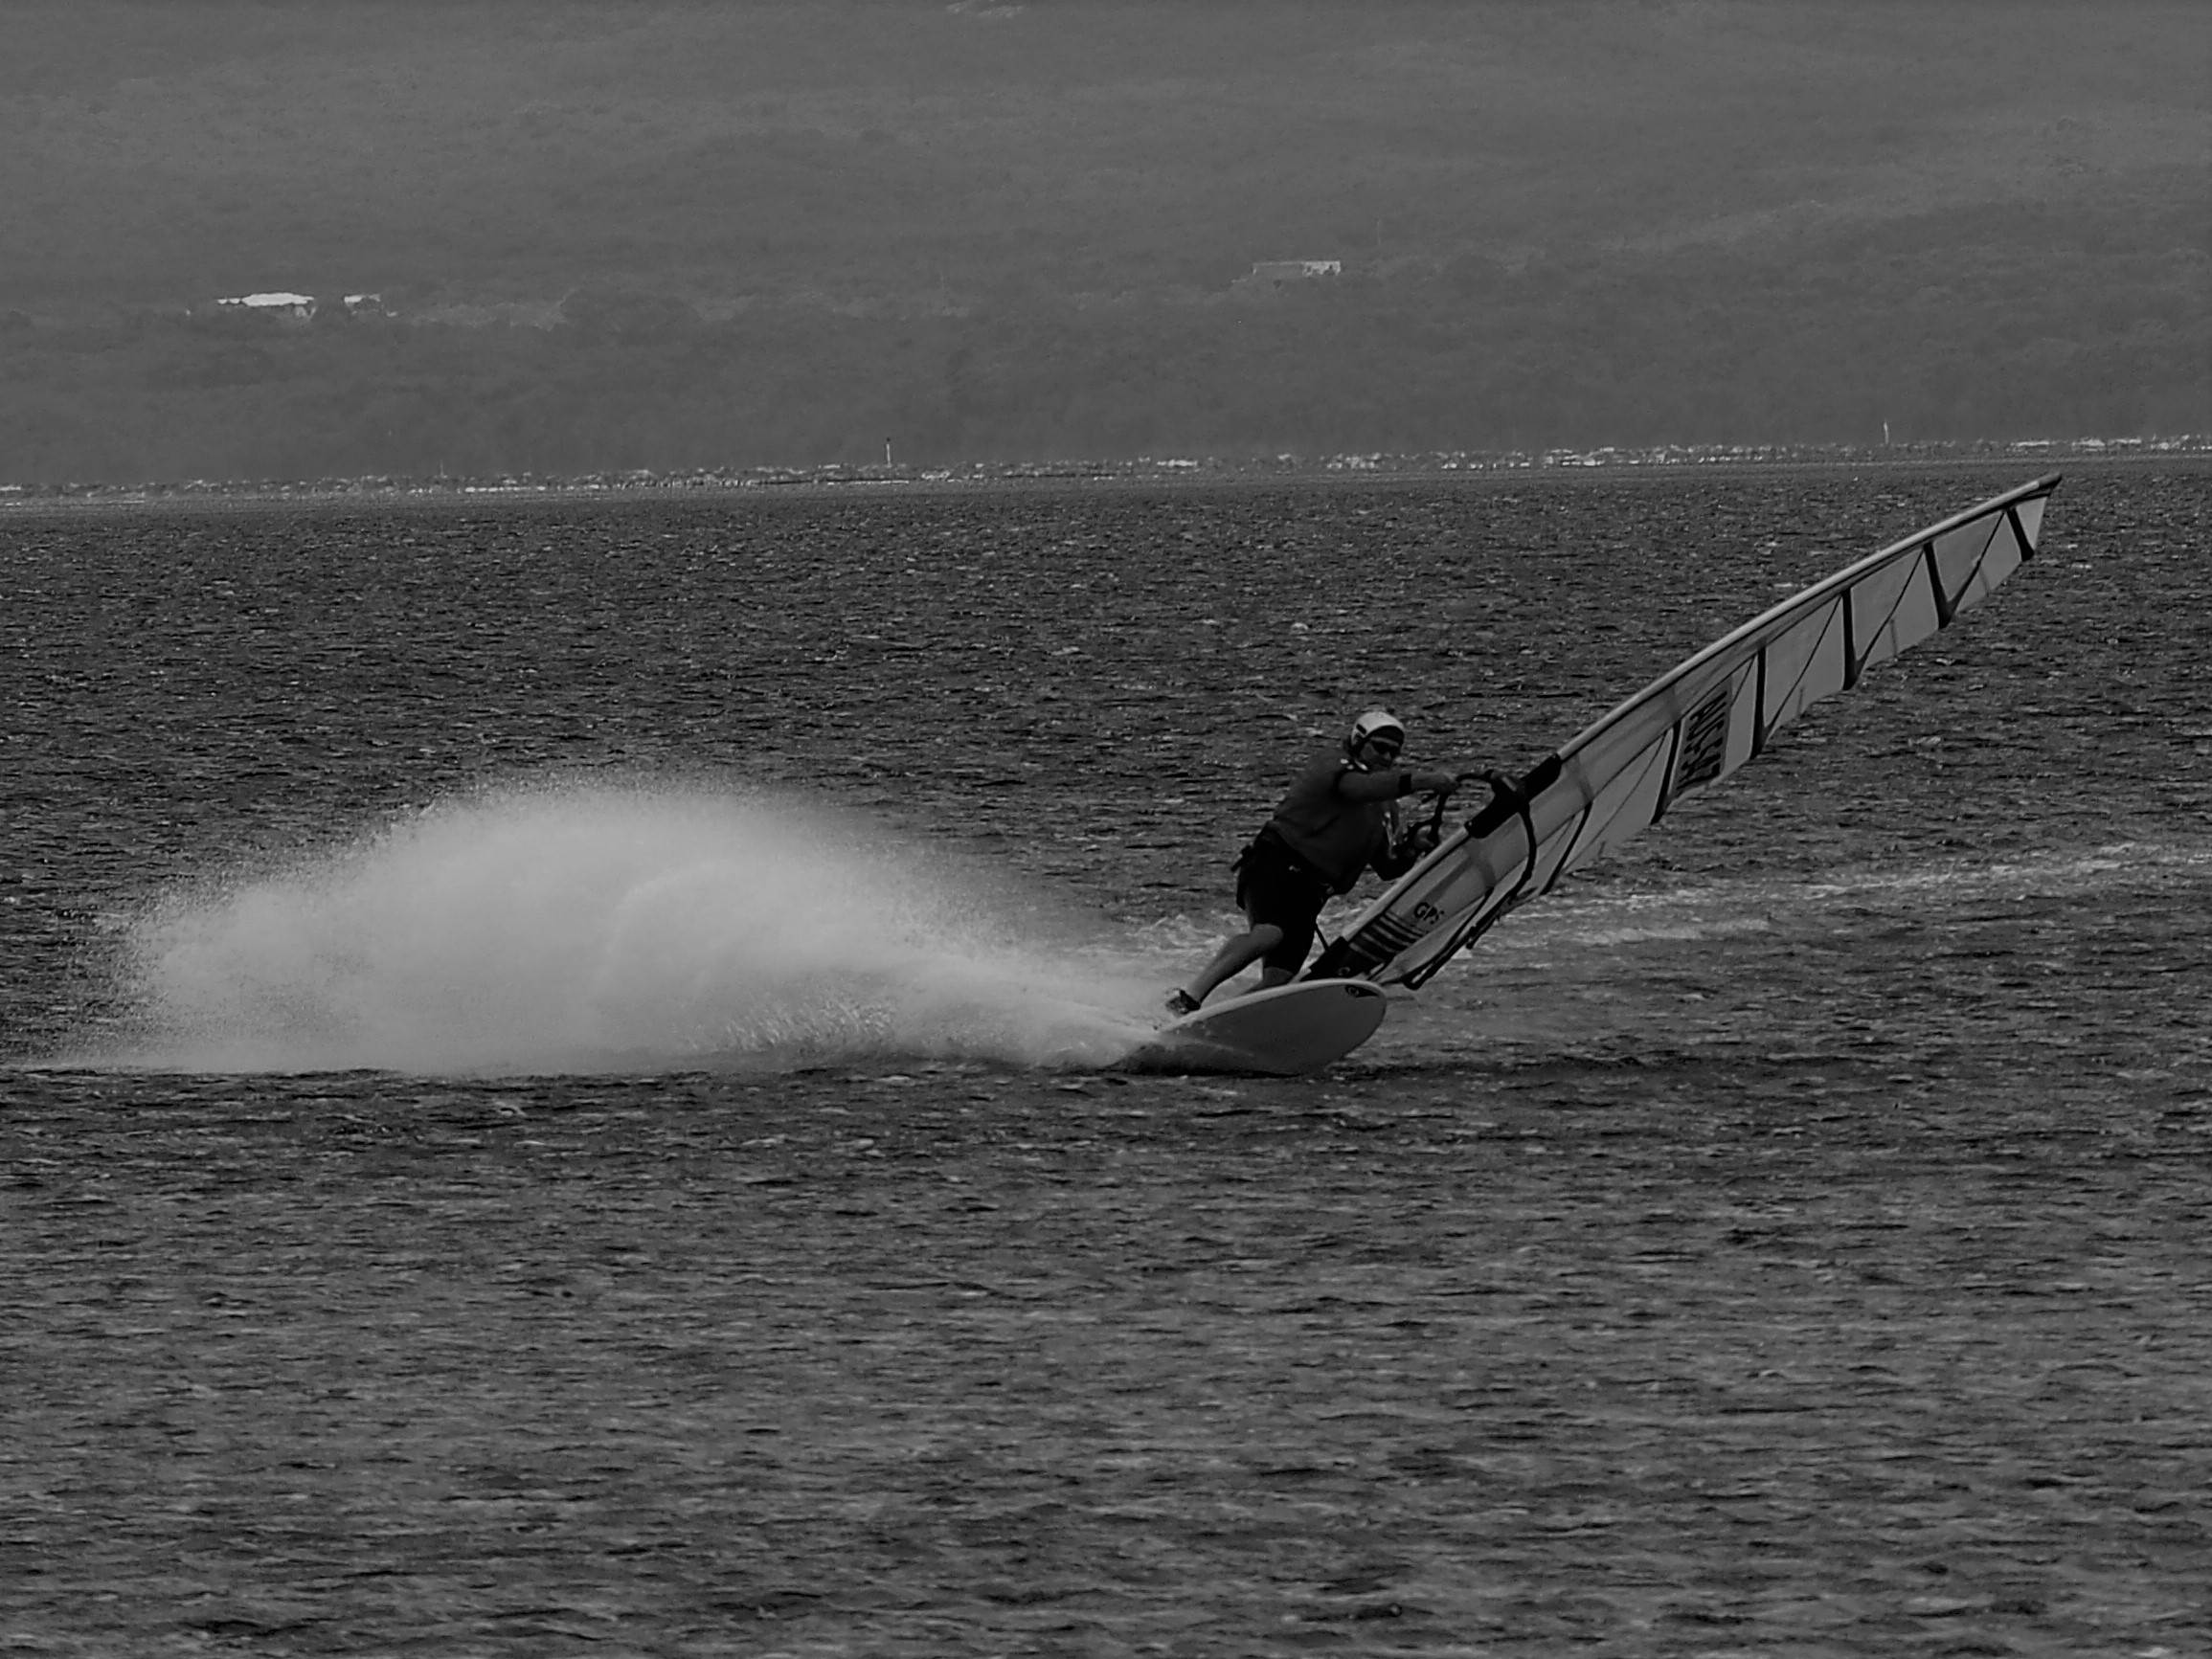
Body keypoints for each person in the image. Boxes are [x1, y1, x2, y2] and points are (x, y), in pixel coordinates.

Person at [1167, 707, 1484, 1015]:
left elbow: (1388, 867)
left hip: (1310, 893)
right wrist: (1424, 780)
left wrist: (1413, 847)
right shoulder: (1334, 766)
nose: (1387, 758)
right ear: (1358, 742)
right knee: (1269, 934)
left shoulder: (1386, 806)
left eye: (1394, 753)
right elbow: (1358, 788)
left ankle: (1216, 1020)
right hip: (1274, 865)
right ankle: (1188, 998)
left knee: (1279, 979)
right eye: (1380, 748)